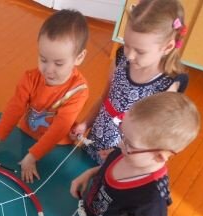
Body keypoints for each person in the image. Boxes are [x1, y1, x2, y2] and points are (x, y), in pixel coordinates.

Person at [70, 92, 199, 216]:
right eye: (123, 134)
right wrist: (89, 173)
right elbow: (108, 168)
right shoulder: (128, 152)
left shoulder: (152, 196)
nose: (120, 144)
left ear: (159, 156)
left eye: (129, 143)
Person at [70, 0, 189, 164]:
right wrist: (85, 123)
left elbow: (153, 137)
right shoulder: (121, 58)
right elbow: (105, 98)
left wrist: (123, 153)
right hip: (96, 137)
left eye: (140, 51)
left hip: (125, 157)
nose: (130, 55)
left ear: (167, 47)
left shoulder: (168, 84)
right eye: (126, 44)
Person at [0, 9, 89, 183]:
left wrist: (32, 157)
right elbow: (13, 110)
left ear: (79, 57)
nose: (49, 70)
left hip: (58, 145)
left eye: (59, 63)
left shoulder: (78, 90)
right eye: (43, 59)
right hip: (27, 134)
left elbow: (59, 129)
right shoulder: (30, 78)